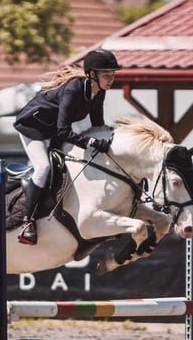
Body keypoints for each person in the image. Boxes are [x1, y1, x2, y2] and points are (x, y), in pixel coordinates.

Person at [12, 48, 122, 245]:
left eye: (113, 75)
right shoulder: (73, 89)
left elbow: (98, 128)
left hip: (53, 130)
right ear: (92, 75)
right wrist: (89, 142)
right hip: (32, 127)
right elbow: (64, 131)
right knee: (44, 167)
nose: (111, 79)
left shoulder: (99, 93)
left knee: (69, 164)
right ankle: (28, 222)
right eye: (107, 75)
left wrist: (113, 139)